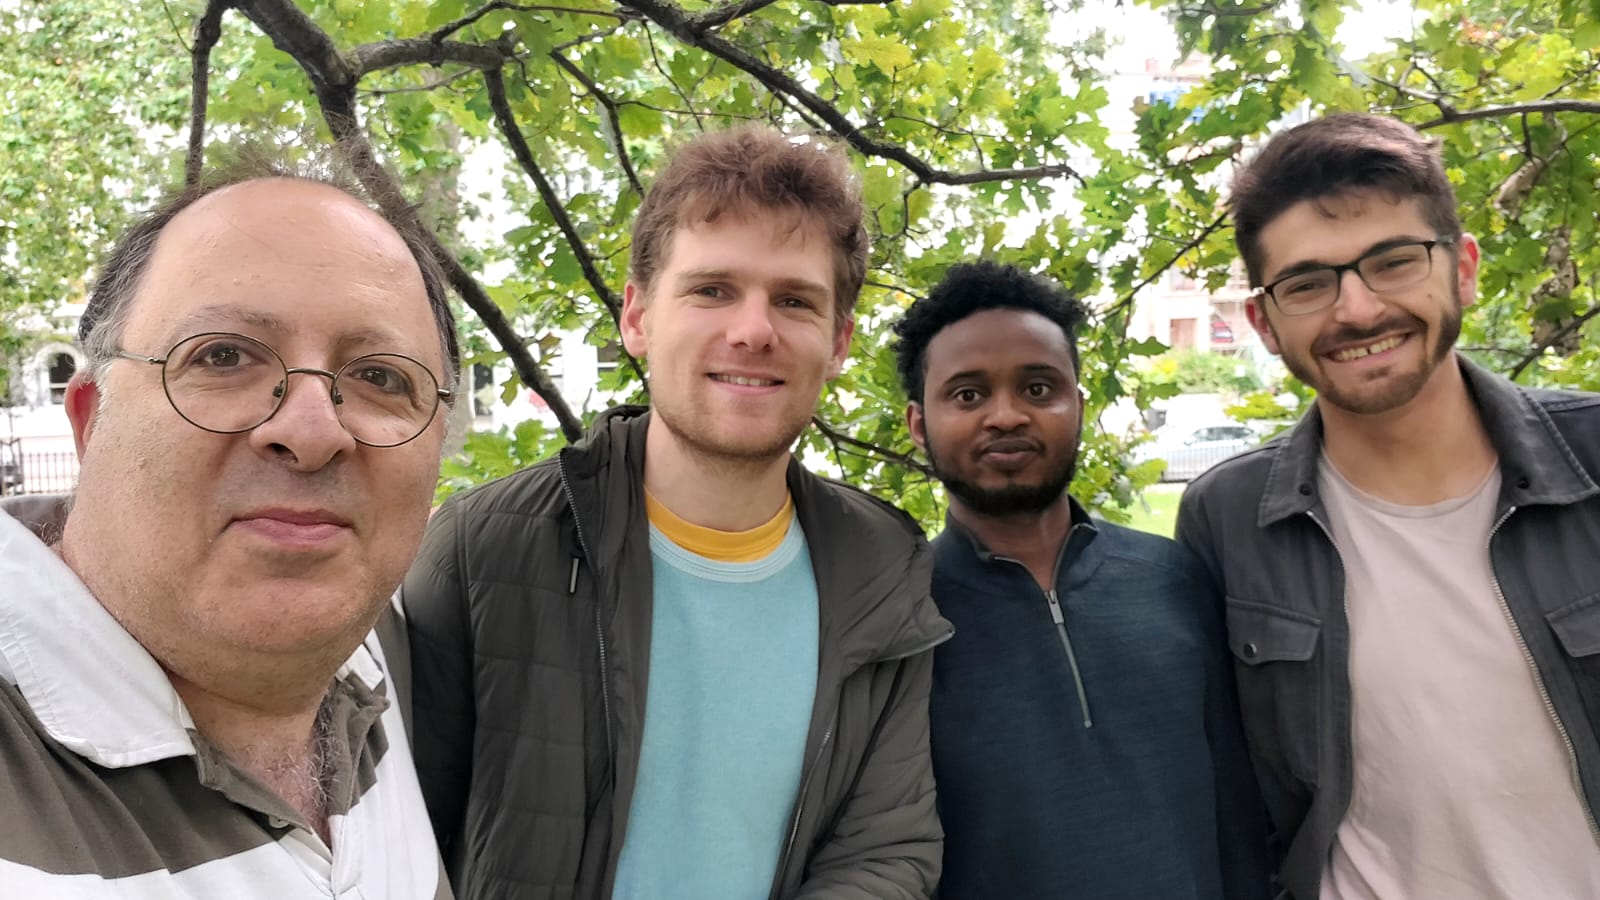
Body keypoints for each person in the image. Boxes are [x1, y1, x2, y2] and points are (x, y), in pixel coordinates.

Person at [402, 125, 952, 900]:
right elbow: (389, 838)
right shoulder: (481, 549)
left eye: (794, 300)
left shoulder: (884, 569)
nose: (753, 330)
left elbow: (886, 847)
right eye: (712, 289)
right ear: (636, 317)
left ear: (837, 344)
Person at [0, 163, 459, 897]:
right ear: (92, 421)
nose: (313, 431)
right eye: (222, 356)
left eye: (379, 376)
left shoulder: (372, 666)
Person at [1177, 112, 1600, 900]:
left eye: (1394, 262)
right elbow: (1239, 801)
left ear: (1462, 268)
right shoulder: (1226, 521)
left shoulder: (1593, 458)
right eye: (1308, 283)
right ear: (1265, 323)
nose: (1358, 310)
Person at [891, 260, 1271, 900]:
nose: (1006, 416)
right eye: (968, 394)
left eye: (1038, 389)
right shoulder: (898, 621)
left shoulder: (1174, 579)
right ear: (918, 424)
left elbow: (1237, 809)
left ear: (1080, 407)